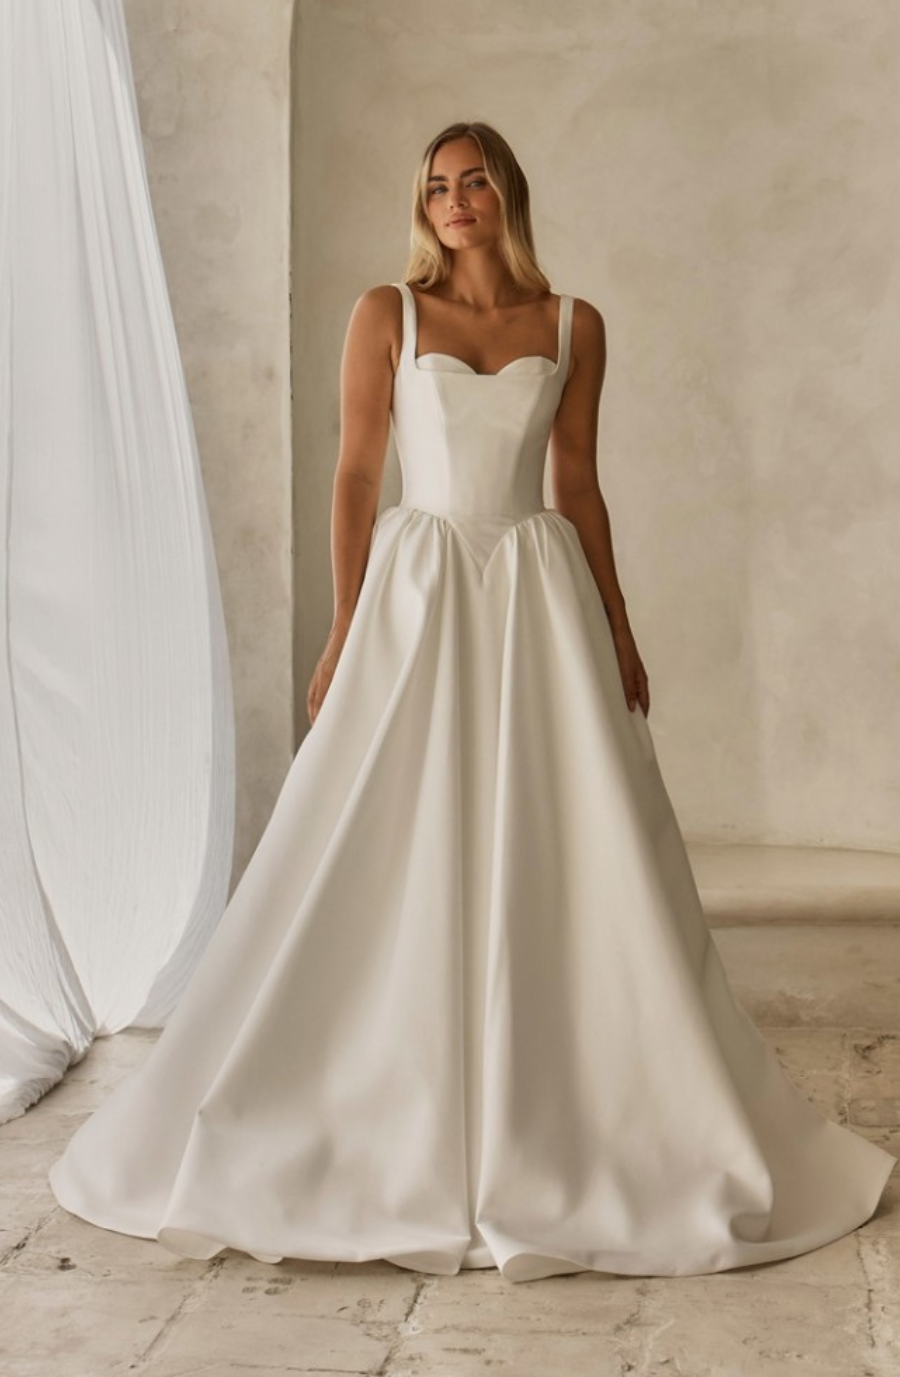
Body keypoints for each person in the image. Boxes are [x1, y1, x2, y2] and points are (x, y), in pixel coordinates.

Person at [48, 121, 895, 1283]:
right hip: (420, 593)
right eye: (438, 187)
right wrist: (345, 625)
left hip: (538, 597)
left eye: (474, 181)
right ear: (425, 206)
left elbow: (580, 484)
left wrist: (621, 622)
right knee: (389, 833)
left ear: (507, 194)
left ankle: (579, 1096)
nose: (455, 201)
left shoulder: (571, 324)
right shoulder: (384, 315)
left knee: (570, 841)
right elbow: (356, 471)